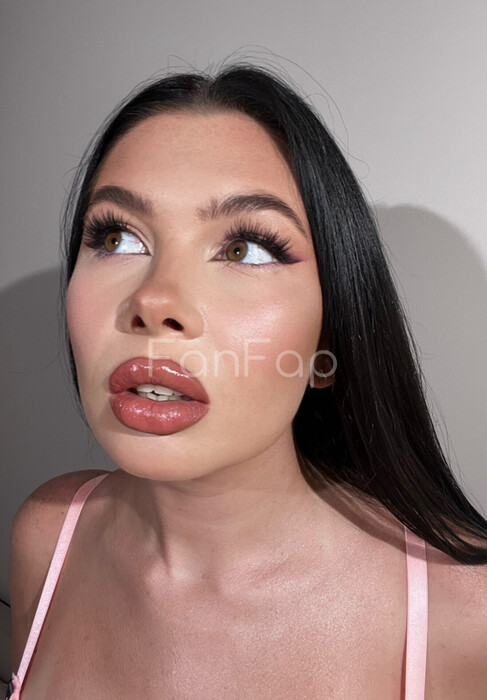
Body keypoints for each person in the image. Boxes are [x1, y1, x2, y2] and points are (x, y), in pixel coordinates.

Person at [7, 63, 487, 699]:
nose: (153, 301)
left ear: (330, 336)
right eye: (117, 237)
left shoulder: (469, 614)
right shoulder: (48, 536)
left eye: (245, 249)